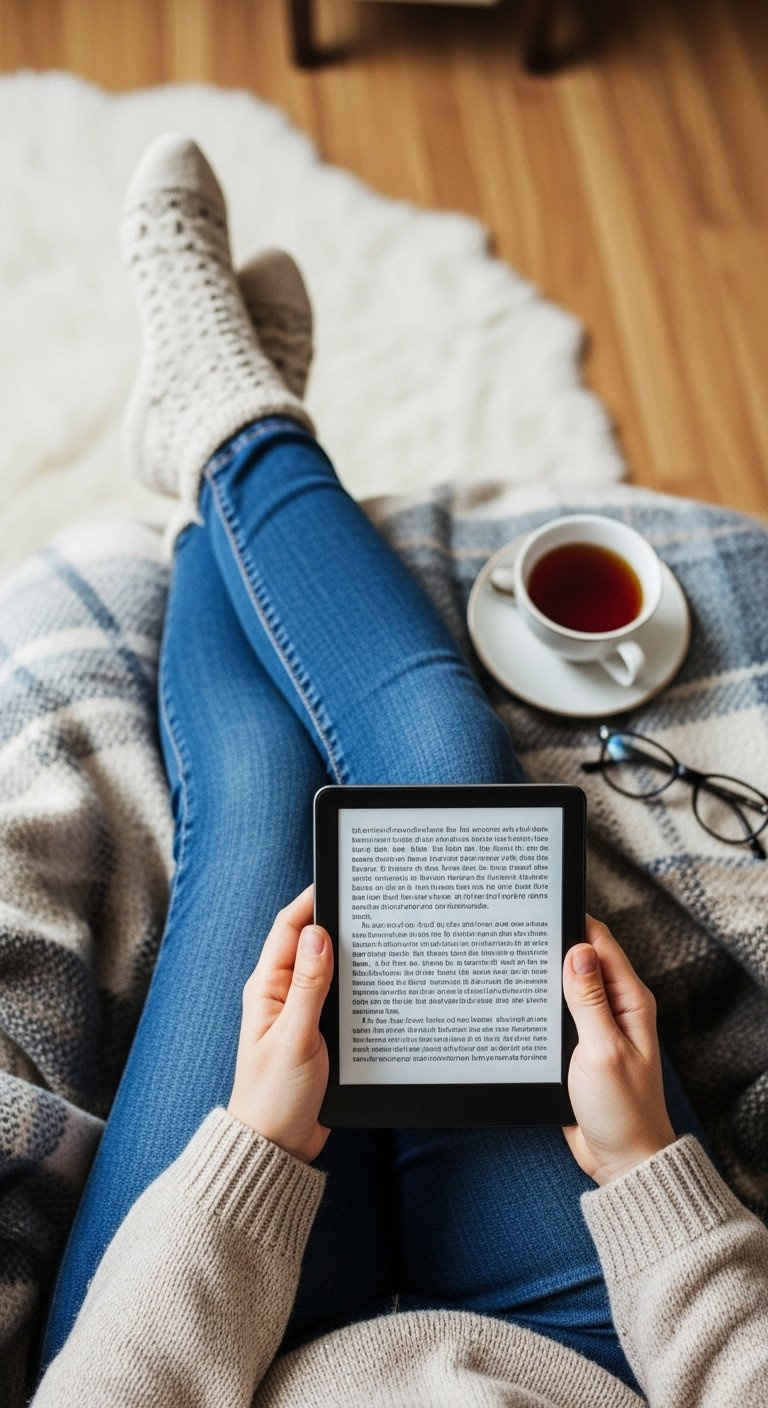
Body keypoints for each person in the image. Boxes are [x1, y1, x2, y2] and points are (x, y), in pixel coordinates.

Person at [33, 135, 768, 1407]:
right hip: (586, 1347)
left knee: (265, 809)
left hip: (209, 1351)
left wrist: (255, 1153)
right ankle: (229, 439)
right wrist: (648, 1161)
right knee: (438, 761)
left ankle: (224, 437)